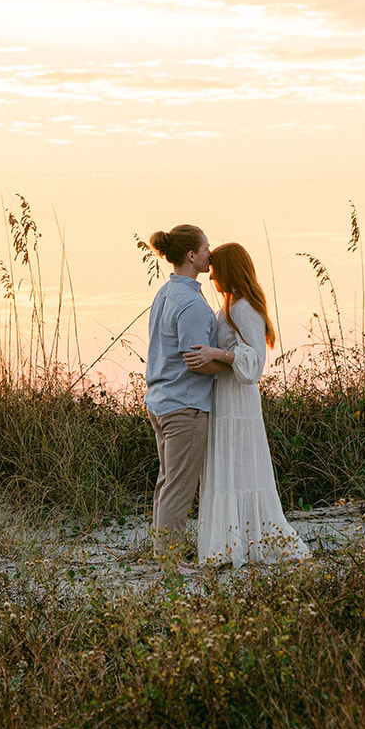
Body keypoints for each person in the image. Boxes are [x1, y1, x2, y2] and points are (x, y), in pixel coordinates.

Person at [182, 242, 311, 567]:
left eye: (216, 272)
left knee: (240, 468)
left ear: (229, 271)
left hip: (238, 401)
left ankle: (248, 544)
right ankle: (230, 545)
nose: (212, 279)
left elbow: (255, 360)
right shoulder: (229, 305)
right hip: (223, 397)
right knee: (226, 468)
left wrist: (218, 354)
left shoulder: (244, 308)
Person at [143, 224, 223, 564]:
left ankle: (164, 556)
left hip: (162, 401)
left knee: (168, 483)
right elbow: (195, 362)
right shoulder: (189, 303)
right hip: (184, 407)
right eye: (206, 247)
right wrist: (232, 365)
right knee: (178, 488)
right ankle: (170, 564)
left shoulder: (166, 292)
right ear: (191, 256)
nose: (210, 252)